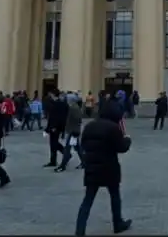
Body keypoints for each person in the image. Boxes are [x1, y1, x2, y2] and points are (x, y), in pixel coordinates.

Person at [75, 101, 133, 236]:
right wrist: (127, 140)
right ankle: (117, 223)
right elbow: (121, 147)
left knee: (87, 200)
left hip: (92, 167)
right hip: (109, 167)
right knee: (114, 196)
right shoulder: (113, 128)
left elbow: (83, 145)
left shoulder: (89, 126)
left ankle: (80, 229)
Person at [56, 94, 84, 172]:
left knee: (67, 148)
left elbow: (75, 119)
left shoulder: (73, 108)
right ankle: (84, 162)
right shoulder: (75, 107)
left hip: (73, 131)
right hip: (75, 130)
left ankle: (63, 165)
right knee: (78, 148)